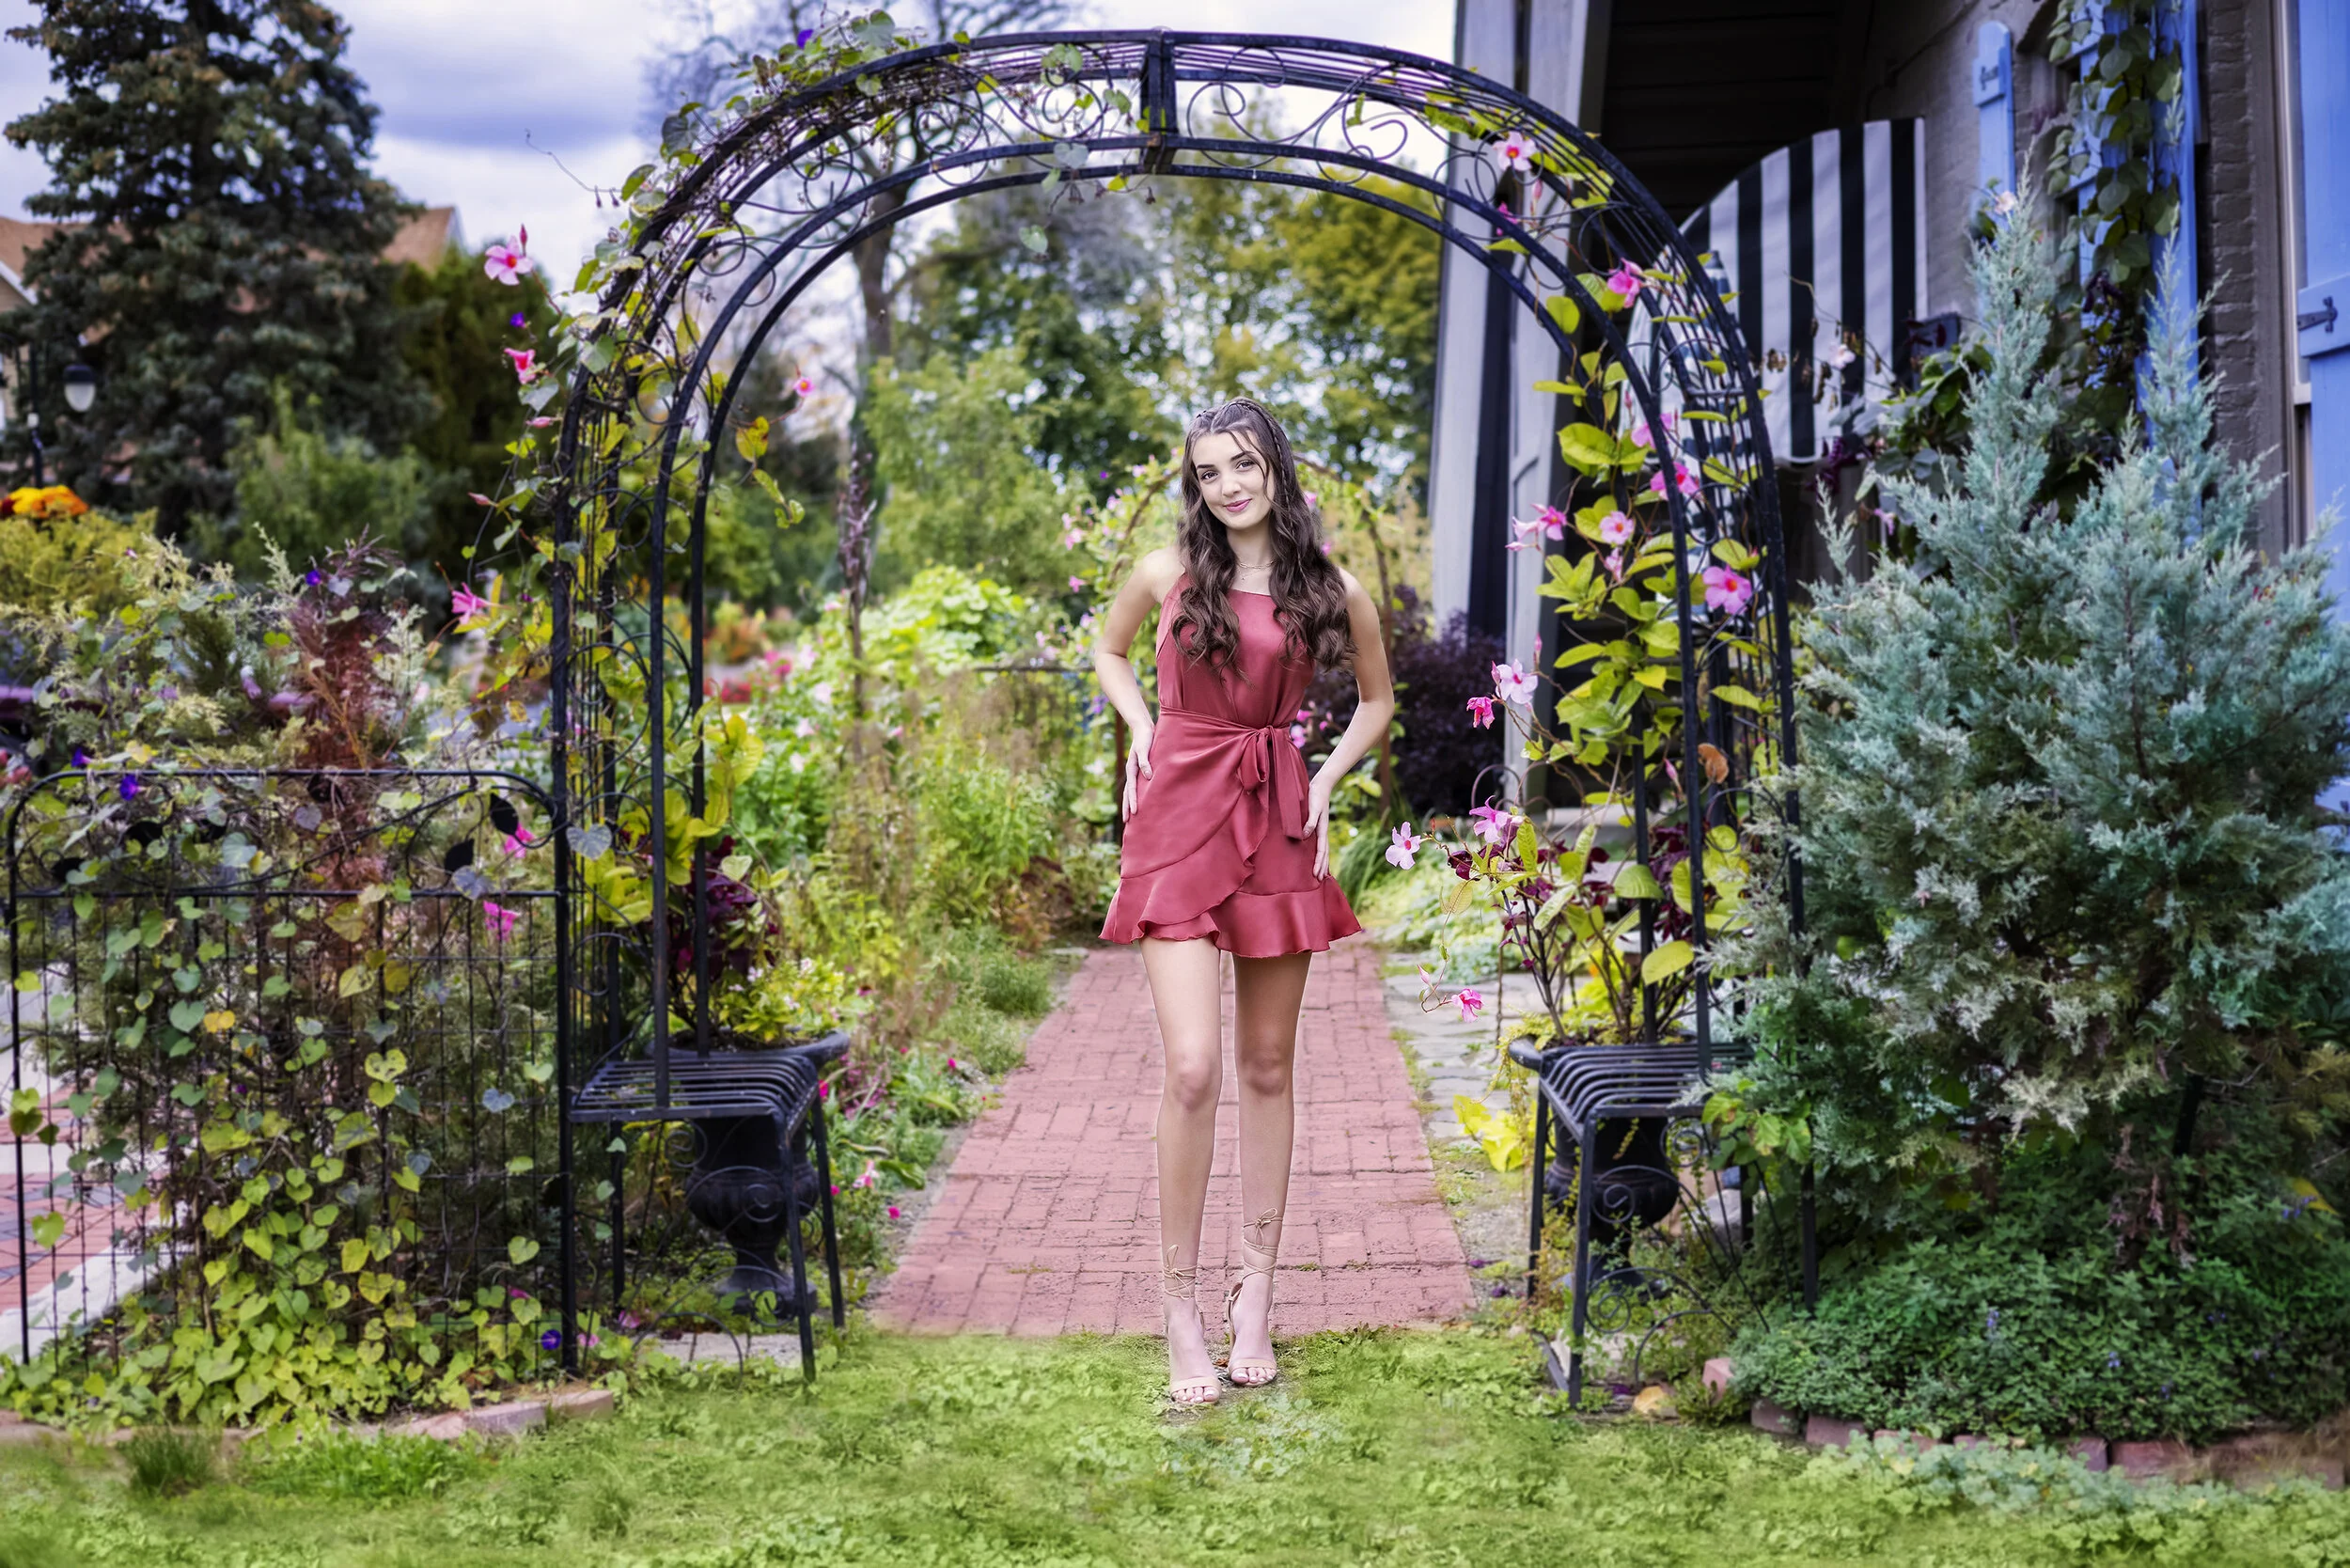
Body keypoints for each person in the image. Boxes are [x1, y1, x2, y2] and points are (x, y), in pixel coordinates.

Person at [1092, 398, 1395, 1405]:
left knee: (1268, 1064)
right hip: (1177, 810)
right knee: (1192, 1067)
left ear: (1276, 469)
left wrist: (1324, 776)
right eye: (1209, 471)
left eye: (1243, 465)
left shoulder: (1330, 586)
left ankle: (1254, 1293)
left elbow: (1378, 699)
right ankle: (1178, 1301)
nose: (1227, 485)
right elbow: (1109, 652)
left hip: (1275, 811)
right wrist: (1139, 727)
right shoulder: (1163, 574)